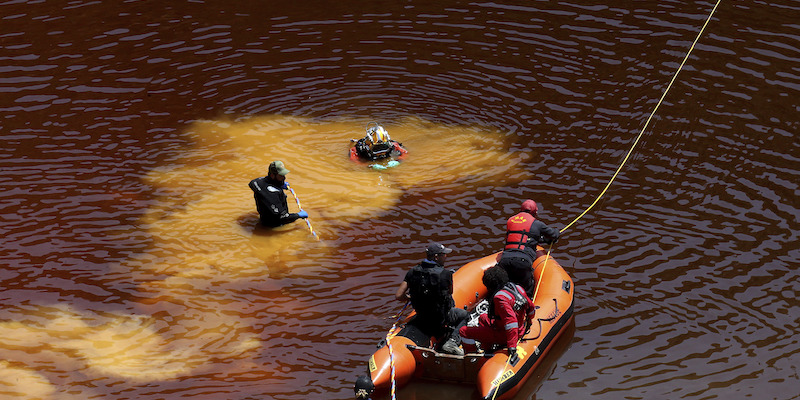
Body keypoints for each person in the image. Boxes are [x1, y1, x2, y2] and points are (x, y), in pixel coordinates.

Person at [395, 243, 469, 356]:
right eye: (444, 254)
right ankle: (452, 342)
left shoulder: (412, 272)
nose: (446, 257)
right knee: (465, 316)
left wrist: (412, 297)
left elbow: (399, 295)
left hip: (421, 315)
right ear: (436, 257)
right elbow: (450, 292)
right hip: (439, 319)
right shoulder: (445, 274)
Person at [458, 265, 535, 365]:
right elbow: (531, 307)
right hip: (519, 327)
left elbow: (511, 322)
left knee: (464, 331)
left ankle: (472, 358)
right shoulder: (517, 288)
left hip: (504, 334)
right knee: (482, 318)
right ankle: (488, 349)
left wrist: (511, 346)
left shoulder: (500, 298)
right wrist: (529, 322)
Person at [498, 199, 560, 297]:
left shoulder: (510, 220)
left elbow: (521, 237)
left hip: (505, 260)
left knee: (503, 288)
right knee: (527, 293)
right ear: (535, 212)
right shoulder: (537, 224)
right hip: (523, 262)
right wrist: (557, 232)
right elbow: (553, 235)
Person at [248, 160, 309, 227]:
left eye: (284, 175)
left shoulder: (260, 182)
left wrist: (279, 185)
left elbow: (252, 183)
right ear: (272, 175)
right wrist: (298, 215)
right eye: (281, 176)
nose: (284, 178)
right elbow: (283, 218)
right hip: (273, 225)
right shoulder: (273, 195)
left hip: (264, 218)